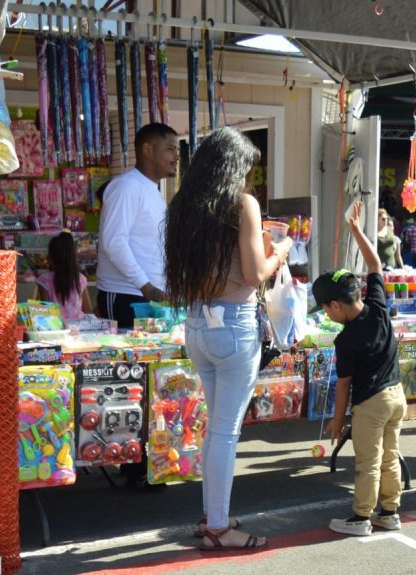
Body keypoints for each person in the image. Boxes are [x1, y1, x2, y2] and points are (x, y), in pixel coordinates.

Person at [165, 127, 292, 550]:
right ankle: (218, 527)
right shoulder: (243, 204)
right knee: (224, 431)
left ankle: (213, 515)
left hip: (197, 325)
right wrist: (281, 251)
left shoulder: (184, 206)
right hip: (234, 324)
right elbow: (256, 274)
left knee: (215, 429)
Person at [314, 201, 407, 536]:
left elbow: (344, 385)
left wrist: (338, 421)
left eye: (325, 309)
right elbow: (376, 263)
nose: (326, 315)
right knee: (390, 456)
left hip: (371, 403)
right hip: (397, 396)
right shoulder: (379, 306)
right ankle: (390, 512)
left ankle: (361, 518)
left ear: (336, 305)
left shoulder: (346, 339)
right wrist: (355, 230)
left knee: (367, 461)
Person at [97, 123, 178, 329]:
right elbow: (114, 242)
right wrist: (146, 286)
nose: (176, 157)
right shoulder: (127, 186)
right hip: (126, 295)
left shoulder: (153, 191)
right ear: (147, 149)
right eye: (170, 149)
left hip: (150, 295)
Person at [36, 231, 93, 322]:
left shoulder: (44, 280)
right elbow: (88, 310)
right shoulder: (80, 279)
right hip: (78, 329)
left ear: (51, 256)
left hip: (55, 328)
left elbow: (45, 313)